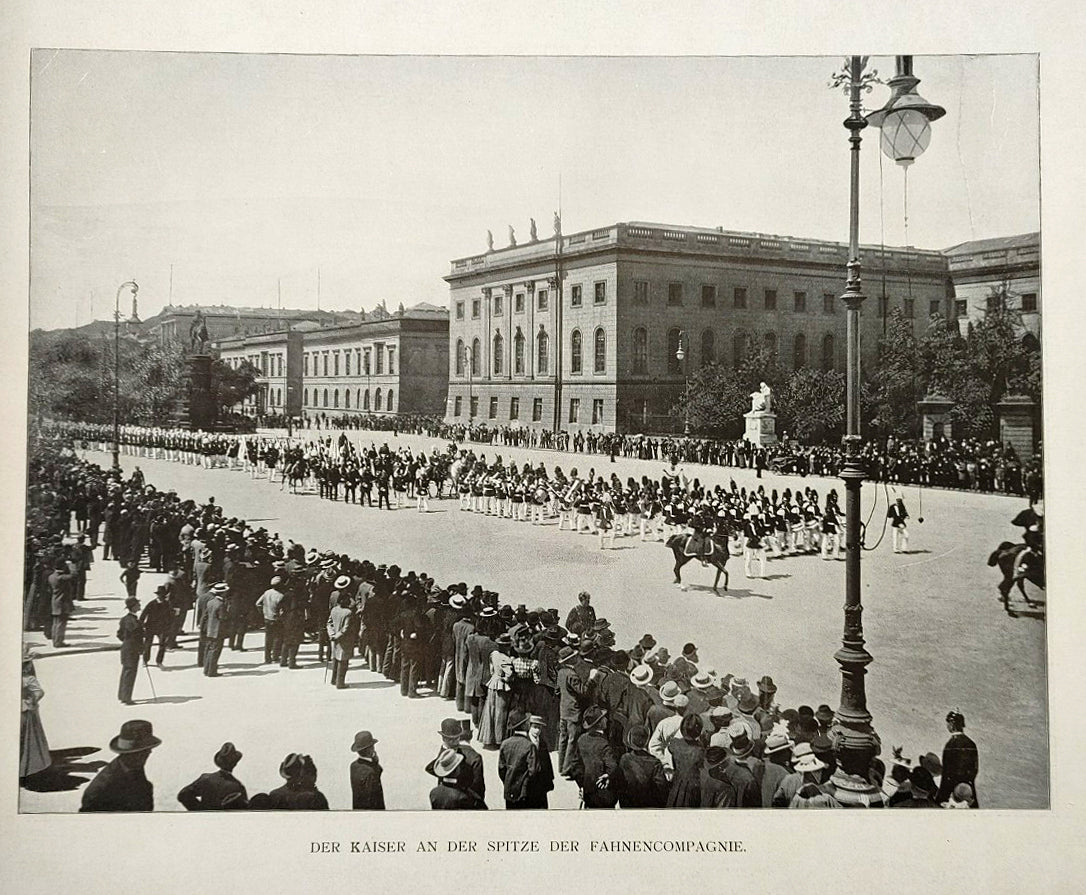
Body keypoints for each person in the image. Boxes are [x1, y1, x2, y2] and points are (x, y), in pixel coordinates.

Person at [80, 720, 161, 812]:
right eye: (143, 751)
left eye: (148, 749)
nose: (149, 752)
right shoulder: (102, 788)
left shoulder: (133, 766)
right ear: (130, 753)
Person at [498, 710, 554, 809]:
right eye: (534, 727)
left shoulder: (505, 744)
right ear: (527, 726)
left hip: (519, 791)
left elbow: (501, 770)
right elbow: (533, 771)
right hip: (527, 791)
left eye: (539, 727)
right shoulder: (528, 745)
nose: (537, 730)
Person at [565, 706, 618, 808]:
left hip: (588, 793)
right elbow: (612, 766)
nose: (606, 720)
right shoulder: (604, 743)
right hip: (605, 795)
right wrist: (608, 775)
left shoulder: (581, 740)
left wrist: (582, 785)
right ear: (599, 724)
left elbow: (575, 766)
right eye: (603, 718)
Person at [177, 742, 248, 810]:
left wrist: (200, 811)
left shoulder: (205, 779)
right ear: (235, 764)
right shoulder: (238, 786)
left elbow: (183, 795)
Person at [615, 725, 669, 808]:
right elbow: (662, 788)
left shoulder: (624, 758)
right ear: (646, 741)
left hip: (627, 804)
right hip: (648, 805)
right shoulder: (655, 763)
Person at [937, 709, 980, 805]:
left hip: (952, 793)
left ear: (952, 724)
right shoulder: (971, 743)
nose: (947, 726)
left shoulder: (951, 745)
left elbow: (947, 773)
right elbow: (975, 769)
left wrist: (941, 796)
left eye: (948, 723)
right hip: (968, 792)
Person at [20, 650, 51, 779]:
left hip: (24, 710)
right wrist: (31, 700)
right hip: (25, 711)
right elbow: (39, 692)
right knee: (26, 739)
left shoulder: (26, 679)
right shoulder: (29, 679)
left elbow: (38, 693)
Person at [327, 588, 359, 689]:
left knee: (335, 658)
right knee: (343, 661)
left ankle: (334, 679)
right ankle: (340, 683)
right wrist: (338, 636)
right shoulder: (348, 612)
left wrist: (332, 634)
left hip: (334, 638)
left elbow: (329, 623)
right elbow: (346, 628)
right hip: (345, 639)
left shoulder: (334, 609)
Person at [117, 596, 144, 705]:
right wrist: (140, 648)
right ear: (133, 607)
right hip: (132, 649)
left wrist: (126, 641)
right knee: (130, 673)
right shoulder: (134, 621)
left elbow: (119, 634)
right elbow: (137, 637)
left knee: (125, 672)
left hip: (125, 648)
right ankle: (127, 698)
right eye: (138, 604)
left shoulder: (124, 619)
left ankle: (122, 695)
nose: (139, 606)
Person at [349, 730, 385, 810]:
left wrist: (374, 762)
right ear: (370, 749)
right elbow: (372, 799)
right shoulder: (370, 772)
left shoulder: (354, 766)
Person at [139, 585, 173, 667]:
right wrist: (141, 624)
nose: (161, 597)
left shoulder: (167, 604)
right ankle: (145, 660)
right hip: (150, 627)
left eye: (162, 595)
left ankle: (159, 661)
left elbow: (170, 617)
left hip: (162, 628)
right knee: (147, 644)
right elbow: (143, 615)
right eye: (159, 595)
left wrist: (169, 627)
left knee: (162, 645)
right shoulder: (151, 604)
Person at [202, 582, 228, 677]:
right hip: (218, 631)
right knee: (215, 651)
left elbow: (206, 616)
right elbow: (223, 617)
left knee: (209, 649)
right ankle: (212, 671)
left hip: (210, 630)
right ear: (222, 593)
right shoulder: (221, 604)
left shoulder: (210, 602)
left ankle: (207, 669)